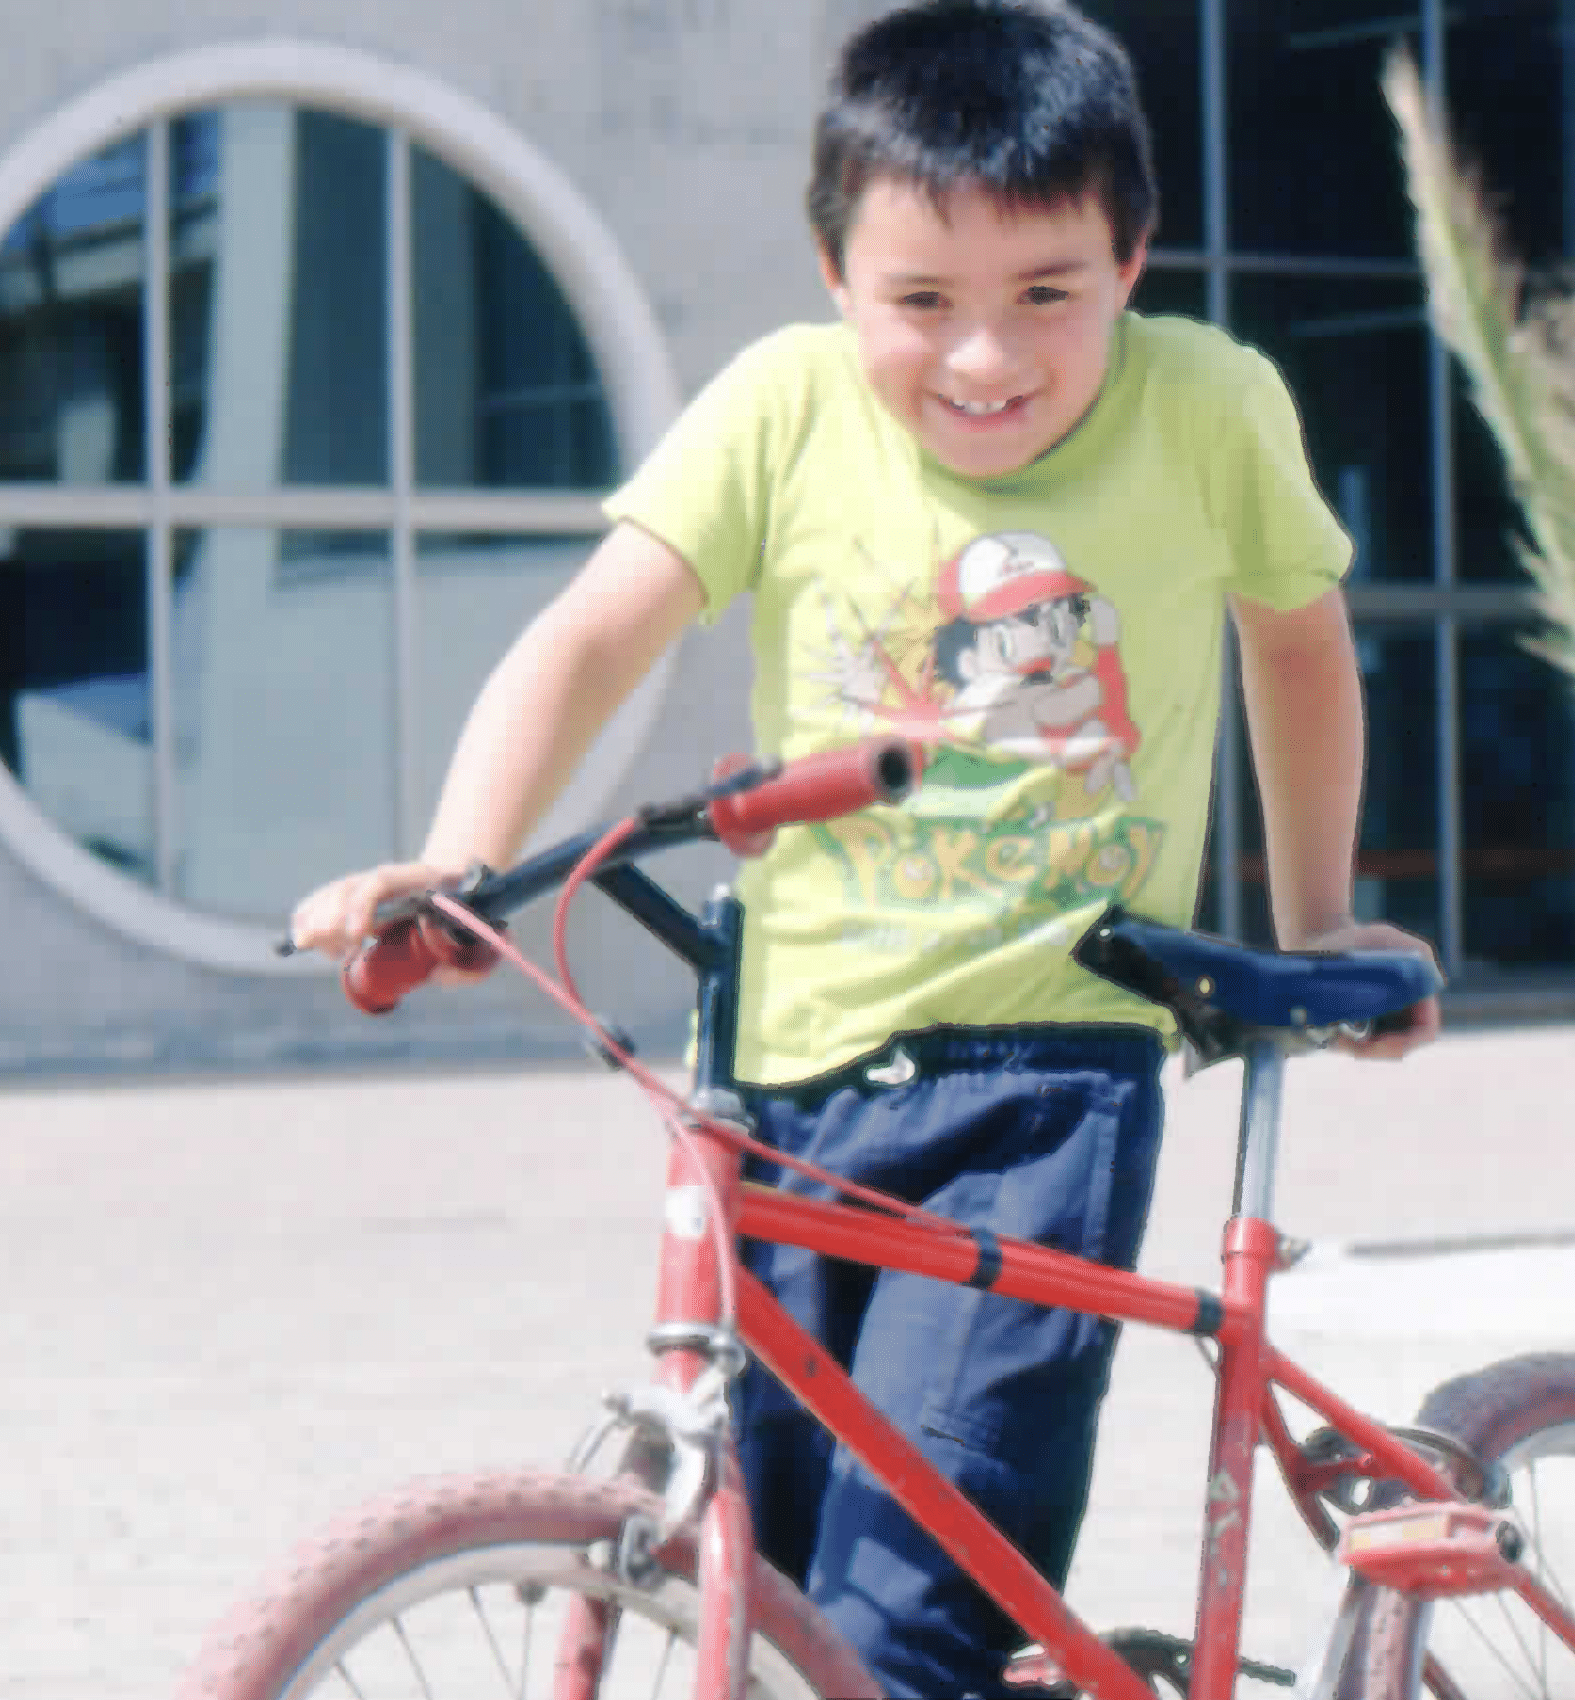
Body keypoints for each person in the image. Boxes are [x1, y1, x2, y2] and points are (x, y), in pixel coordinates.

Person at [292, 2, 1442, 1692]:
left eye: (1047, 293)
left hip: (1050, 1076)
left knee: (907, 1627)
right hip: (782, 1081)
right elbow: (593, 633)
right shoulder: (782, 406)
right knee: (769, 1597)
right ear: (836, 275)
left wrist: (1319, 920)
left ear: (1133, 260)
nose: (987, 359)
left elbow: (1296, 646)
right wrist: (461, 863)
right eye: (924, 303)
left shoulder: (1208, 407)